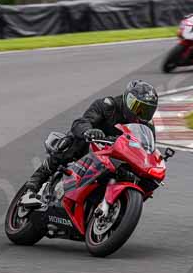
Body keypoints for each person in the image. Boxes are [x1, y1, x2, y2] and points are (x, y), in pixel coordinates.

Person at [24, 80, 159, 195]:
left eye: (146, 111)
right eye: (137, 107)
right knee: (72, 142)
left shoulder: (146, 125)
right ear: (127, 99)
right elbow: (81, 122)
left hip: (117, 158)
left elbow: (147, 149)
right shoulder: (108, 106)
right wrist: (89, 131)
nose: (139, 113)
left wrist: (154, 164)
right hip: (92, 147)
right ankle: (34, 183)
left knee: (147, 179)